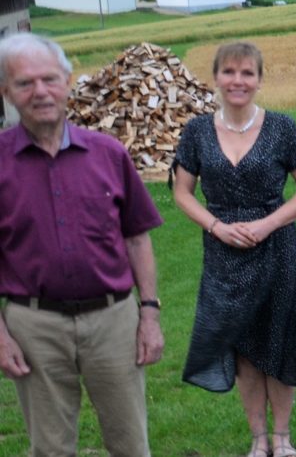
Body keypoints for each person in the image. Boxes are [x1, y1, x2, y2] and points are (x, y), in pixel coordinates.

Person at [0, 32, 165, 456]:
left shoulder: (108, 154)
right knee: (51, 448)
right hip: (34, 327)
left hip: (114, 322)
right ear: (6, 92)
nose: (40, 92)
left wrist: (148, 314)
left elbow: (137, 238)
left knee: (130, 444)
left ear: (68, 80)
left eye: (50, 79)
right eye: (24, 83)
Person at [172, 42, 296, 457]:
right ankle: (258, 438)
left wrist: (268, 223)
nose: (238, 81)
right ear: (216, 77)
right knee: (242, 351)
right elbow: (182, 193)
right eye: (230, 72)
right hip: (223, 257)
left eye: (247, 73)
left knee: (281, 342)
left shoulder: (283, 128)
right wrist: (216, 226)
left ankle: (283, 437)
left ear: (259, 80)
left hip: (279, 251)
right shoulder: (197, 130)